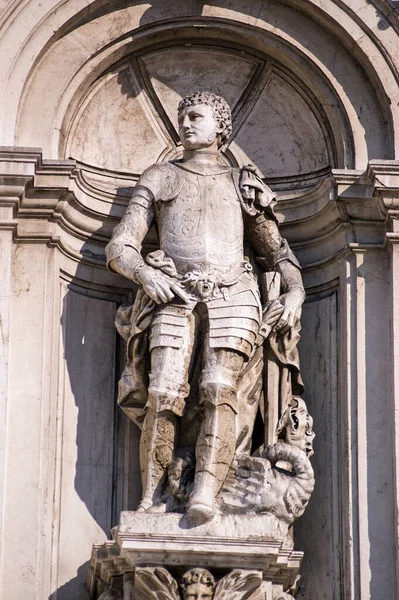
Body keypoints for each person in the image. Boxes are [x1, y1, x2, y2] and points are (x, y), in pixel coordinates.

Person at [106, 91, 305, 523]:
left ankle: (205, 495)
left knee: (219, 389)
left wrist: (295, 292)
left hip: (235, 293)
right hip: (174, 292)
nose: (186, 124)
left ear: (220, 125)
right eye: (182, 117)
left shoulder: (242, 183)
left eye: (195, 116)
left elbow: (278, 254)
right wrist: (148, 276)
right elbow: (120, 247)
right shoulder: (159, 176)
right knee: (162, 393)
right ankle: (153, 497)